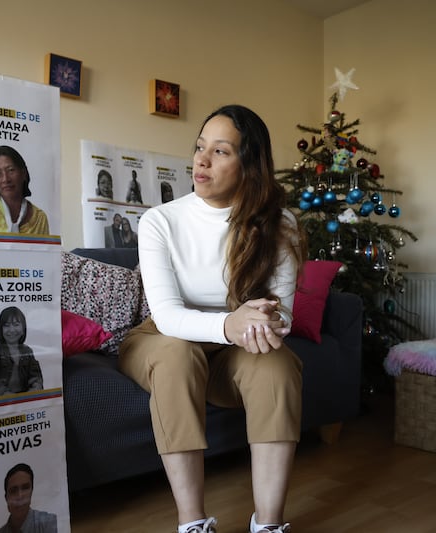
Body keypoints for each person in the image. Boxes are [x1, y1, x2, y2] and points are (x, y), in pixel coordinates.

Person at [118, 105, 306, 533]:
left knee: (277, 366)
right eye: (200, 147)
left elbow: (281, 313)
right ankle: (193, 523)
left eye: (220, 151)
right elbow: (166, 316)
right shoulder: (159, 221)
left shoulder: (282, 223)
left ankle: (270, 524)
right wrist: (229, 323)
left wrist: (263, 323)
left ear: (250, 165)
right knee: (175, 355)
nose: (201, 160)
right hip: (162, 336)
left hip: (234, 346)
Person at [0, 306, 44, 397]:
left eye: (16, 324)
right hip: (1, 403)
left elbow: (36, 376)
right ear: (1, 329)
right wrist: (6, 394)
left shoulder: (27, 351)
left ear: (23, 329)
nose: (11, 330)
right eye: (6, 325)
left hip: (24, 400)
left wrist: (35, 389)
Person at [0, 463, 57, 533]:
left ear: (32, 491)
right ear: (6, 498)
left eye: (25, 488)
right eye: (13, 491)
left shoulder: (50, 523)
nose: (20, 496)